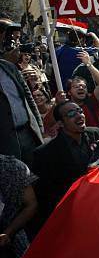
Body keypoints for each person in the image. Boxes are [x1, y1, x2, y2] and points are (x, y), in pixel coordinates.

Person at [31, 101, 99, 237]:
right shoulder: (45, 154)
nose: (79, 116)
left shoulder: (95, 134)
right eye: (71, 114)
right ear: (60, 123)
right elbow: (47, 197)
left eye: (80, 111)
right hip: (73, 216)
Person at [0, 19, 43, 167]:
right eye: (9, 37)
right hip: (6, 142)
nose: (14, 43)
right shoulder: (7, 62)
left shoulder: (9, 67)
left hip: (29, 134)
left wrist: (39, 126)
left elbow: (28, 99)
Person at [0, 155, 37, 258]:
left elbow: (31, 205)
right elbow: (31, 205)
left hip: (14, 247)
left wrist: (8, 233)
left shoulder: (14, 167)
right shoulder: (16, 166)